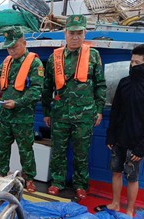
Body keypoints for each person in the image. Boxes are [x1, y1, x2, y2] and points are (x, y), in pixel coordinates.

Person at [42, 15, 106, 199]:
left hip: (85, 115)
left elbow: (100, 84)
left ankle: (80, 185)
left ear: (85, 33)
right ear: (65, 33)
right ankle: (57, 182)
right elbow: (47, 87)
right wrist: (47, 111)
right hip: (60, 114)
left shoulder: (93, 55)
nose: (75, 37)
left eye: (79, 33)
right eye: (72, 33)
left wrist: (99, 109)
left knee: (81, 153)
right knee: (58, 150)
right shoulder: (55, 57)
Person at [94, 44, 144, 217]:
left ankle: (130, 209)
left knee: (132, 178)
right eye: (132, 61)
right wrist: (111, 136)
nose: (132, 65)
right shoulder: (124, 83)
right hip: (118, 140)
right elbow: (115, 112)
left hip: (136, 143)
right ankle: (115, 203)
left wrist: (142, 147)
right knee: (116, 172)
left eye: (136, 62)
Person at [0, 26, 44, 192]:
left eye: (14, 46)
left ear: (24, 43)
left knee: (25, 149)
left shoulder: (35, 63)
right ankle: (2, 172)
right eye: (9, 47)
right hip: (5, 113)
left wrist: (17, 103)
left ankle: (30, 178)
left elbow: (36, 90)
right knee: (2, 146)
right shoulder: (7, 62)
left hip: (23, 116)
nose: (11, 50)